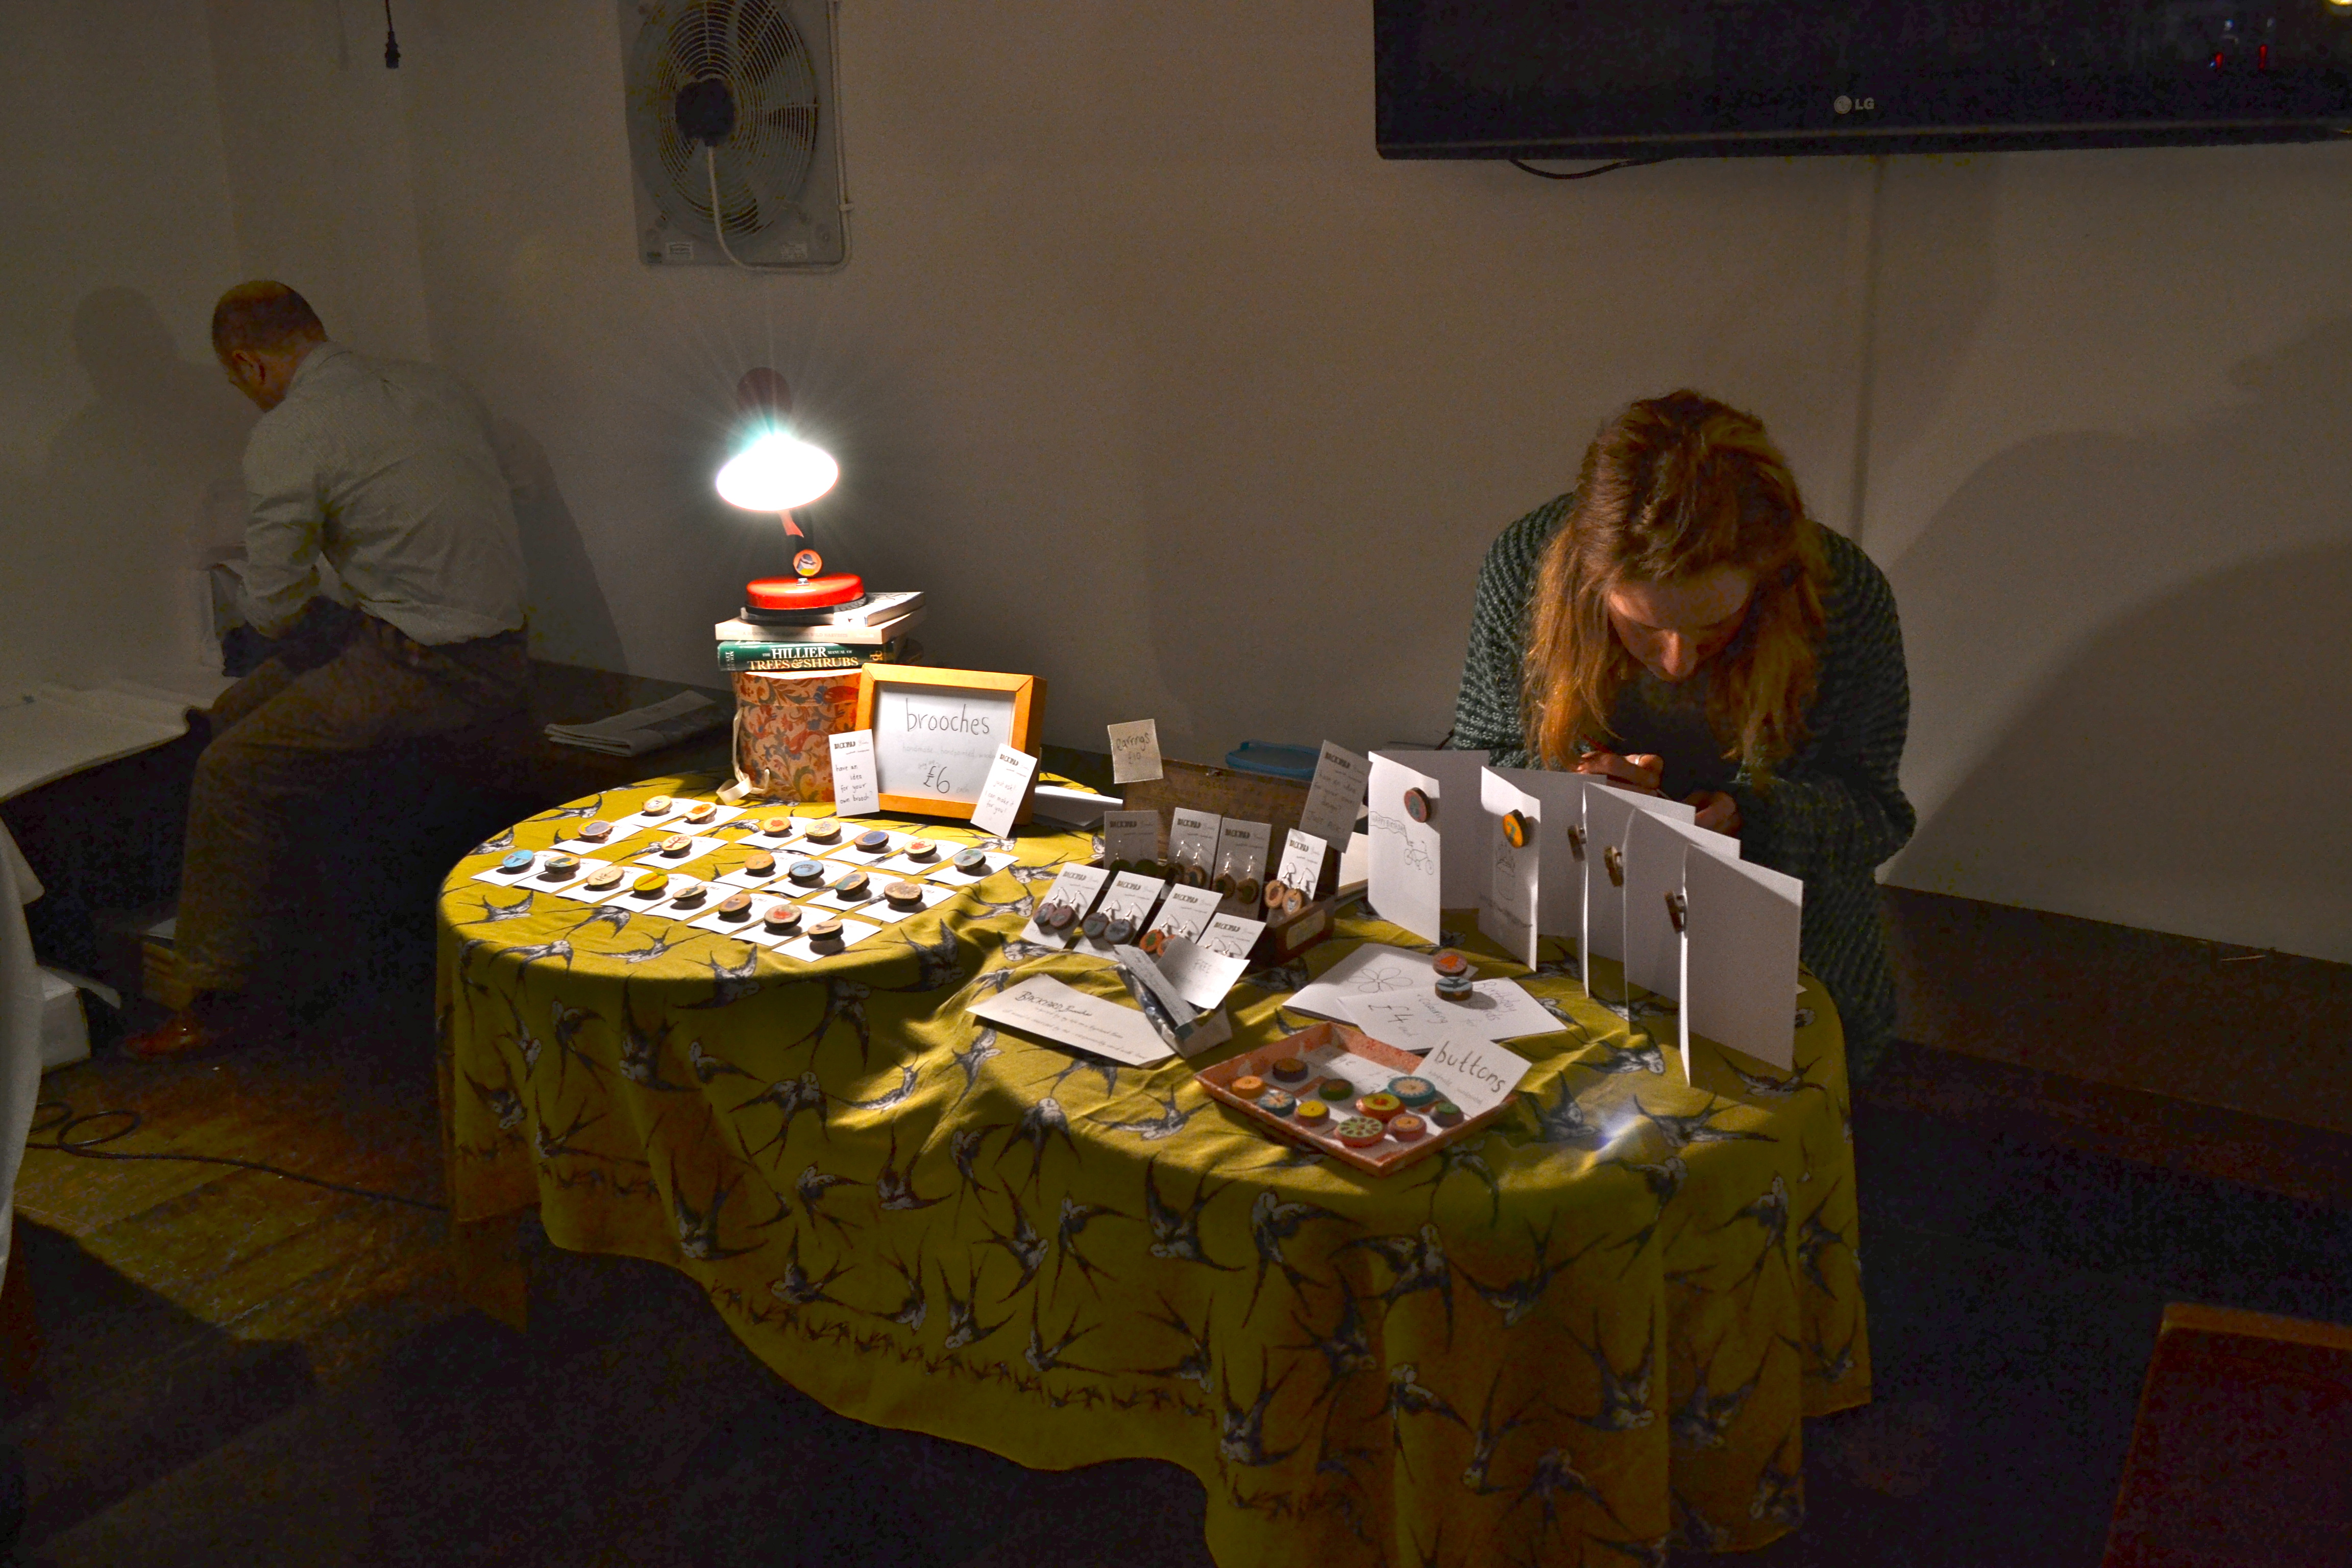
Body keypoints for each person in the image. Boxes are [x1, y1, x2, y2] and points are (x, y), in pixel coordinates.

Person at [1451, 390, 1915, 1078]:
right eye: (1642, 627)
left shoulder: (1841, 598)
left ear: (1767, 578)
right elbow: (1478, 765)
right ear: (1590, 581)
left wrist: (1754, 820)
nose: (1677, 662)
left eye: (1715, 625)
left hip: (1784, 976)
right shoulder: (1524, 569)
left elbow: (1877, 815)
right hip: (1568, 964)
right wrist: (1570, 793)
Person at [126, 282, 531, 1059]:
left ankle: (215, 997)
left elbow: (274, 607)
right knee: (229, 715)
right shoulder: (433, 386)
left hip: (435, 665)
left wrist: (295, 608)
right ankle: (284, 944)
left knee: (229, 769)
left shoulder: (293, 430)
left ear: (249, 365)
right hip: (489, 642)